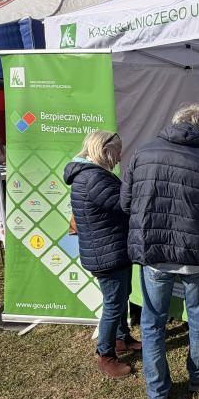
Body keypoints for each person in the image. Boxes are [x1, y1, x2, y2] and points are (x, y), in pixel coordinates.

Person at [121, 103, 199, 399]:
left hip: (155, 252)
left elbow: (125, 202)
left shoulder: (143, 152)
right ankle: (198, 376)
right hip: (196, 253)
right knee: (198, 317)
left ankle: (158, 395)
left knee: (152, 322)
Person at [63, 130, 140, 380]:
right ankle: (105, 354)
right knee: (113, 303)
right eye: (117, 152)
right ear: (105, 150)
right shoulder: (94, 178)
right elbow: (123, 206)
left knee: (121, 296)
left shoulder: (90, 176)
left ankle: (121, 338)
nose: (118, 158)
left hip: (109, 248)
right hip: (107, 252)